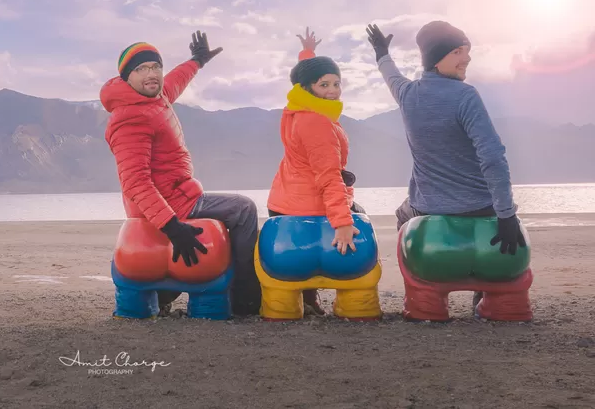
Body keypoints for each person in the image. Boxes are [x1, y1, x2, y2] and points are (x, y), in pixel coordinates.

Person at [100, 31, 262, 317]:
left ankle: (164, 292)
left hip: (176, 193)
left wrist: (197, 61)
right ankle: (246, 297)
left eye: (156, 67)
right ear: (127, 77)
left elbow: (175, 82)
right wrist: (172, 228)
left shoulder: (153, 98)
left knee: (236, 210)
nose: (152, 74)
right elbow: (135, 183)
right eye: (141, 69)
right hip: (172, 202)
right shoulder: (129, 118)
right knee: (243, 209)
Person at [367, 21, 527, 306]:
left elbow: (390, 75)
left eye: (467, 51)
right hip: (481, 207)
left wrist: (381, 52)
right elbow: (492, 156)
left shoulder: (407, 94)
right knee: (498, 215)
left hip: (427, 208)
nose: (467, 58)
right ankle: (485, 294)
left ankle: (418, 292)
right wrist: (505, 214)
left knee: (403, 215)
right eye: (457, 51)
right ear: (435, 58)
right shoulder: (465, 96)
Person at [266, 28, 366, 316]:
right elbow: (328, 176)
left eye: (337, 83)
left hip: (283, 202)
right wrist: (343, 223)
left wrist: (307, 54)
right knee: (357, 225)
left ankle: (307, 298)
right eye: (324, 85)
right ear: (308, 88)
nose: (333, 91)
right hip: (310, 207)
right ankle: (349, 298)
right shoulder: (317, 123)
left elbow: (301, 76)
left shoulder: (297, 107)